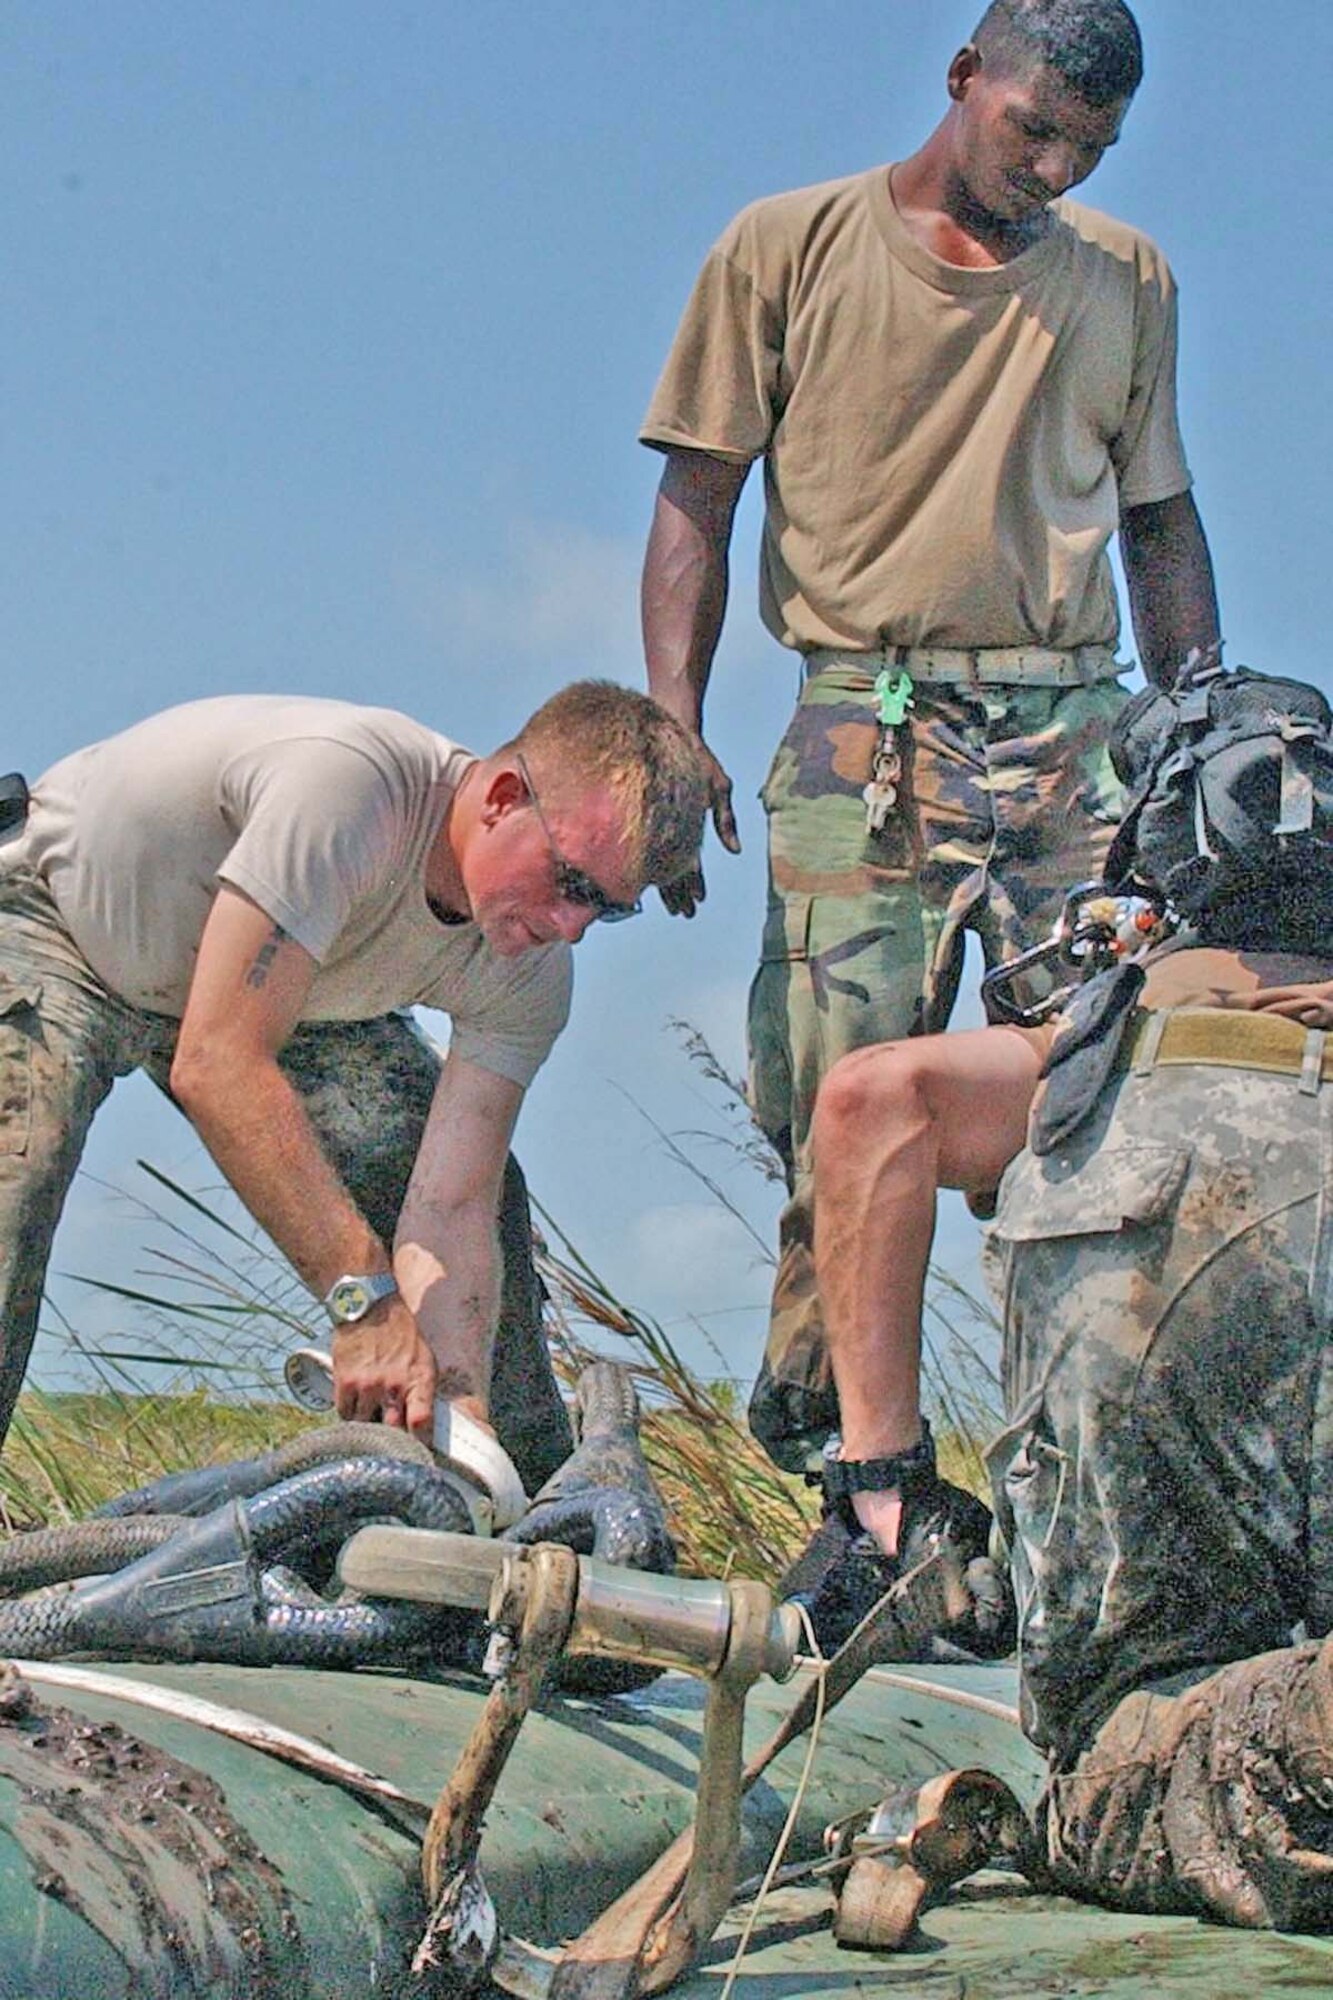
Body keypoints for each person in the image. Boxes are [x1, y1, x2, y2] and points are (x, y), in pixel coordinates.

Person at [638, 0, 1221, 1474]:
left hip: (1074, 725)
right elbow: (697, 503)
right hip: (864, 719)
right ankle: (844, 1462)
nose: (1058, 169)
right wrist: (673, 728)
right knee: (836, 1098)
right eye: (1035, 129)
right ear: (963, 81)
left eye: (1092, 148)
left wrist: (1203, 722)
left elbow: (1158, 519)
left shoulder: (1123, 280)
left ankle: (1080, 1465)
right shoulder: (786, 246)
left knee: (1111, 1082)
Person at [795, 767, 1333, 1923]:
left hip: (1172, 1737)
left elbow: (869, 1101)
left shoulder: (1098, 1041)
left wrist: (880, 1487)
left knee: (1121, 1785)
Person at [0, 683, 710, 1483]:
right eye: (571, 883)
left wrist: (454, 1402)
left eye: (608, 911)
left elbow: (450, 1203)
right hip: (55, 921)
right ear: (503, 800)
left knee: (470, 1193)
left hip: (276, 993)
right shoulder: (350, 794)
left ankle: (520, 1518)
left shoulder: (532, 975)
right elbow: (218, 1064)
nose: (571, 928)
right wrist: (364, 1302)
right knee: (15, 1177)